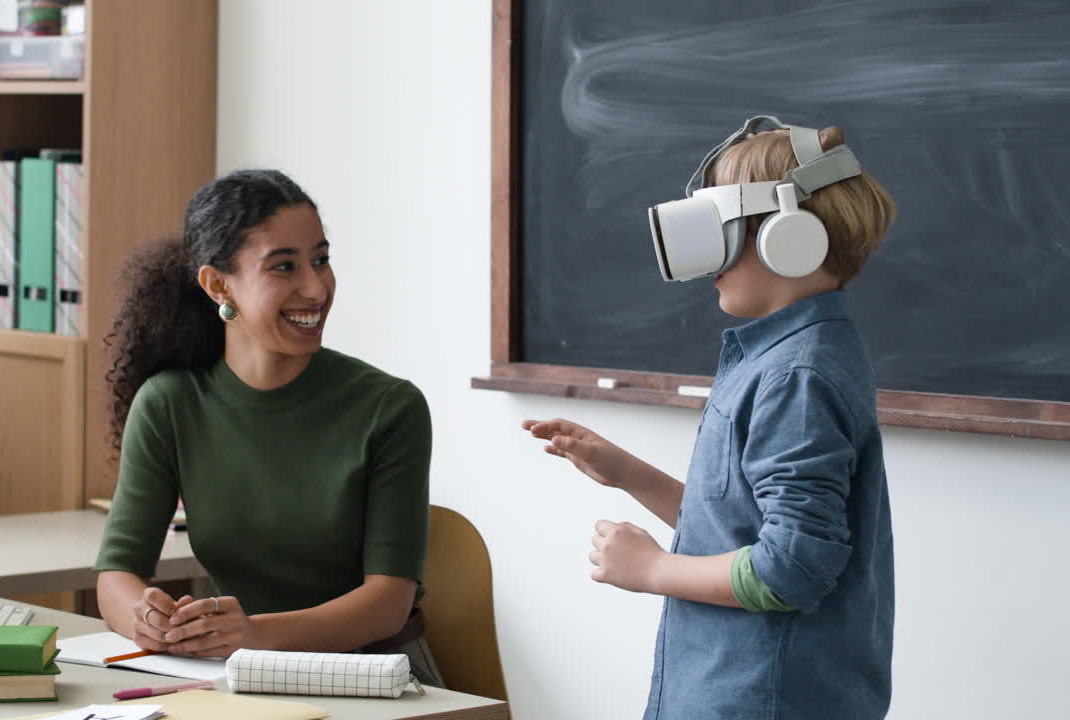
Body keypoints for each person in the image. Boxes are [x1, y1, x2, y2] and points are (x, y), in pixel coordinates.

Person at [525, 117, 897, 718]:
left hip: (760, 699)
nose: (703, 252)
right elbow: (744, 531)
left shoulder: (796, 377)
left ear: (788, 234)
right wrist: (627, 473)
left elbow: (791, 568)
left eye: (723, 225)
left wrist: (652, 569)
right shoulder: (790, 357)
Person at [93, 169, 442, 685]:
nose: (316, 288)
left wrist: (252, 634)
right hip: (237, 674)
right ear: (218, 285)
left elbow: (388, 604)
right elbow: (116, 575)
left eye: (320, 260)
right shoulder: (168, 404)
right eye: (284, 266)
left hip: (376, 677)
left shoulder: (389, 407)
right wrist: (147, 620)